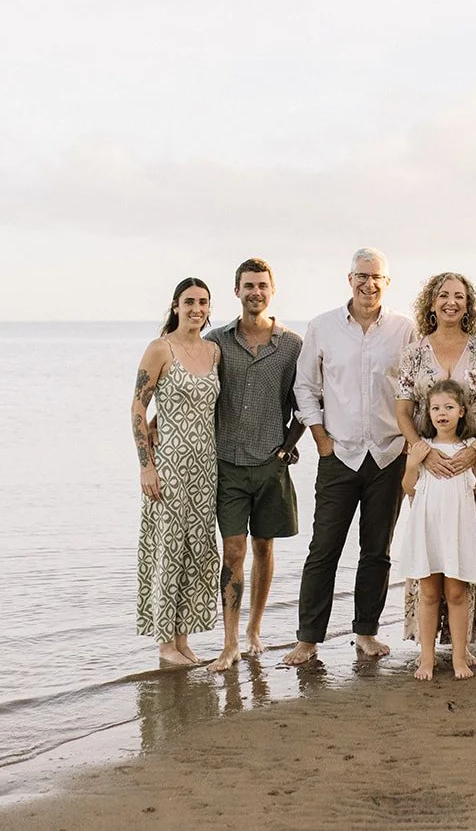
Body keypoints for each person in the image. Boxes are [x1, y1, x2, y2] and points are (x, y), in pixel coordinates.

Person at [284, 249, 417, 666]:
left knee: (377, 550)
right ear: (349, 279)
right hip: (338, 454)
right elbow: (305, 386)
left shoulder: (404, 330)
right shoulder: (322, 327)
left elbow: (414, 388)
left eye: (377, 277)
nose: (369, 284)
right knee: (324, 547)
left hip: (388, 454)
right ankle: (307, 639)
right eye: (362, 276)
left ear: (387, 283)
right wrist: (320, 437)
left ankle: (366, 632)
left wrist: (414, 442)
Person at [203, 258, 304, 671]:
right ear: (237, 291)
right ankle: (229, 643)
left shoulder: (293, 345)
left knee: (264, 546)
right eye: (248, 285)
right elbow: (195, 390)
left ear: (272, 290)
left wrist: (288, 447)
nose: (255, 292)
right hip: (227, 463)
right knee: (233, 550)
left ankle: (254, 630)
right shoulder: (216, 341)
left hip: (270, 464)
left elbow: (309, 403)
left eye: (262, 285)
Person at [395, 272, 476, 648]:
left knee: (465, 546)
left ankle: (460, 643)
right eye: (443, 295)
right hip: (427, 463)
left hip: (469, 461)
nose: (451, 302)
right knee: (428, 547)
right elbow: (403, 410)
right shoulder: (414, 352)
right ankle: (424, 644)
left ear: (468, 305)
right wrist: (420, 453)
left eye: (459, 296)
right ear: (432, 302)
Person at [130, 278, 223, 668]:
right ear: (175, 306)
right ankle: (165, 644)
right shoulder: (160, 349)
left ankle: (183, 640)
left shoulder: (214, 351)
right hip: (168, 466)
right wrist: (146, 466)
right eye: (189, 302)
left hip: (206, 466)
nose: (196, 309)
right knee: (168, 549)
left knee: (196, 550)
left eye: (202, 302)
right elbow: (138, 406)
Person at [394, 380, 476, 680]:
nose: (442, 413)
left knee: (456, 593)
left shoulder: (468, 451)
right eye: (436, 408)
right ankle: (426, 659)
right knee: (427, 593)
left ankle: (459, 658)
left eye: (449, 407)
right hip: (428, 532)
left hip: (457, 533)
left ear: (461, 412)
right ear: (428, 412)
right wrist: (412, 464)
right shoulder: (424, 449)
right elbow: (408, 488)